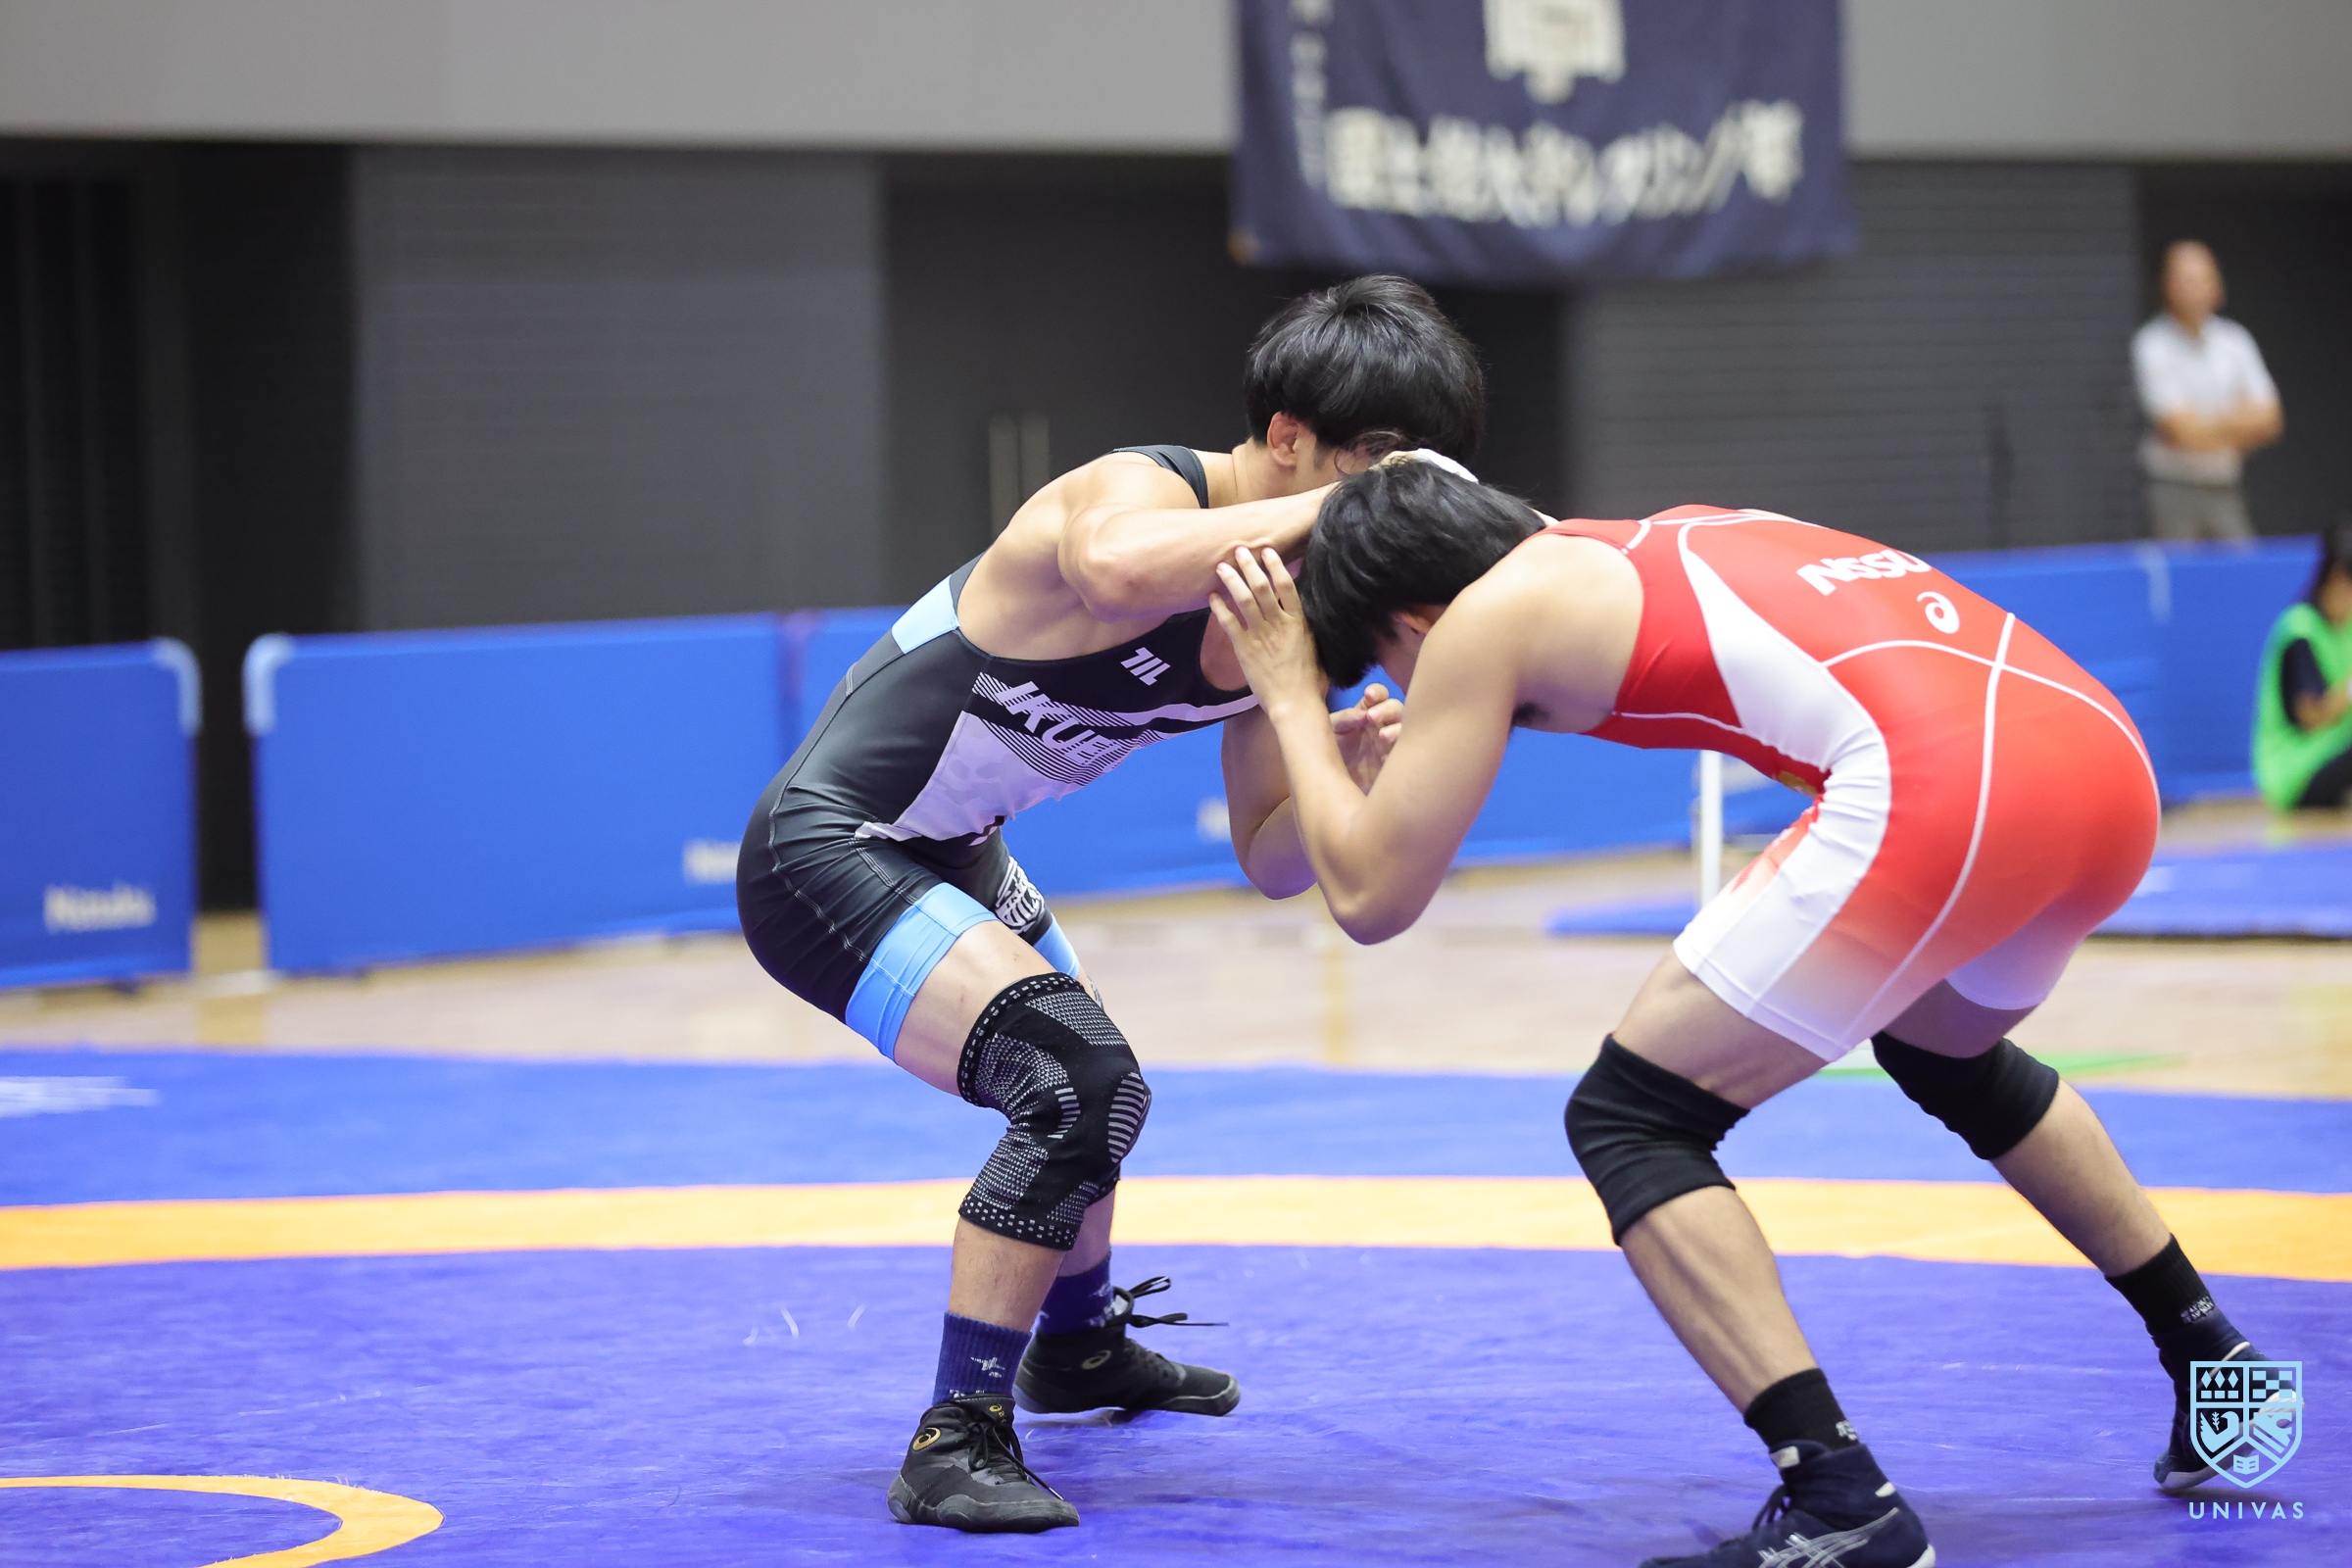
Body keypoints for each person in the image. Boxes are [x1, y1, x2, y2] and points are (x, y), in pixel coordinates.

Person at [1210, 461, 2277, 1568]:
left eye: (1391, 664)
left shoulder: (1481, 617)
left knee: (1632, 1117)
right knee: (1945, 1049)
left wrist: (1289, 695)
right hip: (2102, 761)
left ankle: (1841, 1494)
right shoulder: (1645, 535)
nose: (1409, 688)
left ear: (1416, 620)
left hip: (1949, 784)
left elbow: (1371, 900)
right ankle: (2214, 1358)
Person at [734, 277, 1481, 1533]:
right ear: (1287, 438)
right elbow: (1115, 566)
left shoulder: (1281, 612)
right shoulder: (1138, 493)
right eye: (1378, 463)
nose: (1389, 499)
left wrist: (1341, 762)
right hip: (826, 849)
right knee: (1077, 1079)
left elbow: (1272, 860)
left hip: (952, 850)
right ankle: (954, 1436)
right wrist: (1354, 505)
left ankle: (1074, 1349)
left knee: (1098, 1094)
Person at [2132, 240, 2282, 543]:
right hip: (2173, 489)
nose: (2196, 290)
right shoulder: (2152, 345)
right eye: (2187, 281)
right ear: (2167, 287)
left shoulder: (2235, 341)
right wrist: (2238, 421)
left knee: (2241, 567)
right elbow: (2183, 431)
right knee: (2178, 571)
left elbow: (2271, 421)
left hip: (2225, 486)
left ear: (2217, 285)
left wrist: (2207, 426)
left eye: (2203, 280)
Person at [2254, 522, 2352, 810]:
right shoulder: (2299, 630)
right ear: (2338, 579)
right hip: (2296, 771)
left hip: (2334, 754)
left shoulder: (2346, 629)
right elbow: (2310, 716)